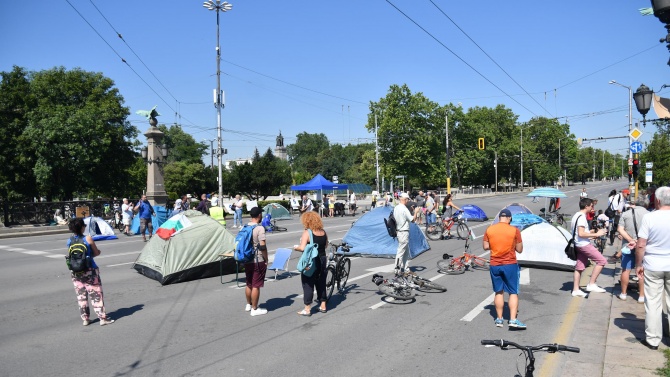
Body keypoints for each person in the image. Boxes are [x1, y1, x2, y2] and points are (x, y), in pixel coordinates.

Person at [635, 187, 670, 350]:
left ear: (657, 200)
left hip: (653, 265)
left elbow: (641, 244)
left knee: (654, 303)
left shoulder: (649, 218)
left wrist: (639, 264)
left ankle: (653, 339)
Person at [67, 218, 114, 326]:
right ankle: (102, 318)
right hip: (89, 270)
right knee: (96, 294)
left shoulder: (69, 240)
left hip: (75, 271)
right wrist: (96, 253)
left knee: (81, 296)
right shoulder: (87, 238)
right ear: (82, 227)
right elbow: (96, 252)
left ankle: (85, 319)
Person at [483, 209, 525, 329]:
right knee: (513, 292)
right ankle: (513, 319)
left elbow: (485, 246)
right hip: (510, 264)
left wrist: (496, 244)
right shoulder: (514, 230)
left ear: (499, 218)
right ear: (509, 218)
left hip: (495, 264)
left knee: (498, 291)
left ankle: (499, 319)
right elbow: (520, 249)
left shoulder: (490, 229)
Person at [571, 198, 609, 297]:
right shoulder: (582, 217)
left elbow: (579, 233)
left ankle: (575, 289)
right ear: (586, 206)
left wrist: (591, 233)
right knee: (602, 261)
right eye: (592, 206)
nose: (593, 208)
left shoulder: (576, 215)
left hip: (578, 244)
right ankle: (591, 284)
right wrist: (597, 233)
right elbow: (581, 233)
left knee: (579, 267)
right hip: (584, 245)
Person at [294, 211, 329, 316]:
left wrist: (296, 248)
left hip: (311, 261)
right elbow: (326, 245)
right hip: (322, 259)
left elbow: (302, 248)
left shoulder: (307, 232)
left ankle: (307, 309)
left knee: (308, 283)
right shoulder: (323, 232)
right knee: (321, 282)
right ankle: (323, 305)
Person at [617, 198, 648, 302]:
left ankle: (623, 294)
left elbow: (620, 229)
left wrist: (631, 240)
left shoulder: (625, 214)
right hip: (643, 247)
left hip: (628, 245)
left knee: (626, 270)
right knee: (641, 271)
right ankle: (641, 296)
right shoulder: (649, 215)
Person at [242, 207, 268, 316]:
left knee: (249, 283)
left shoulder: (244, 227)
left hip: (247, 259)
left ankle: (248, 305)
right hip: (257, 259)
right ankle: (254, 309)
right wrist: (266, 259)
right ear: (259, 215)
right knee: (256, 285)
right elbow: (262, 246)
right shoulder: (259, 228)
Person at [394, 193, 414, 273]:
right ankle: (397, 270)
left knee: (406, 252)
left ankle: (406, 269)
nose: (408, 201)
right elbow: (412, 220)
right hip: (403, 232)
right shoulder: (404, 208)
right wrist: (415, 212)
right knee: (400, 252)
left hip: (399, 231)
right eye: (407, 199)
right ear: (405, 199)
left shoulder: (396, 208)